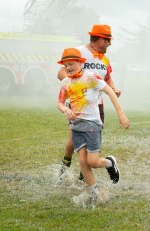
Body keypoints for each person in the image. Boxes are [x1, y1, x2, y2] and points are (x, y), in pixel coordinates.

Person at [57, 48, 130, 203]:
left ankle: (110, 162)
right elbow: (60, 103)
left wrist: (121, 114)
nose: (68, 68)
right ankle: (94, 193)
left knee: (93, 162)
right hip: (76, 127)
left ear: (80, 62)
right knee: (83, 162)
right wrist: (65, 109)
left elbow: (110, 92)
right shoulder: (66, 82)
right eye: (65, 65)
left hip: (92, 125)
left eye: (71, 64)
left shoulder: (91, 77)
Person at [58, 24, 121, 180]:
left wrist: (113, 88)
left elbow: (106, 78)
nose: (110, 44)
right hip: (76, 105)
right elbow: (61, 72)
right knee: (73, 140)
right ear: (100, 39)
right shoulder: (79, 51)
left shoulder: (105, 58)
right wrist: (76, 86)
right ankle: (65, 165)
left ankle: (83, 176)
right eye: (108, 41)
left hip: (97, 106)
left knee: (90, 143)